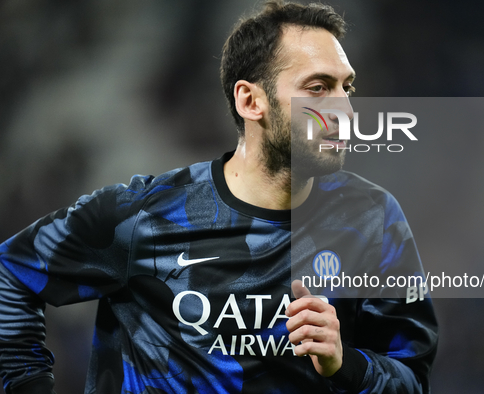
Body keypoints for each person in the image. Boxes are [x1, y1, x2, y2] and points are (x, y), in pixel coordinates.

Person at [0, 1, 438, 393]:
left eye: (348, 88)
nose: (343, 109)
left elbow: (411, 379)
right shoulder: (143, 216)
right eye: (319, 88)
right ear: (251, 100)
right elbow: (10, 275)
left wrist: (346, 365)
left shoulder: (372, 219)